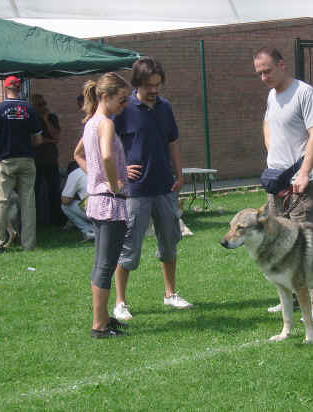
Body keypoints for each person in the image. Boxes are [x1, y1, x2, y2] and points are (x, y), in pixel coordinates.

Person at [253, 47, 313, 322]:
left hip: (302, 186)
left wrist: (303, 172)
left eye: (267, 71)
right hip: (277, 183)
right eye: (259, 73)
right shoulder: (271, 95)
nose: (263, 77)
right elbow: (267, 125)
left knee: (311, 243)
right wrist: (272, 159)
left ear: (282, 65)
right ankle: (291, 300)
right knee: (279, 243)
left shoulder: (304, 92)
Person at [111, 57, 192, 322]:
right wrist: (121, 173)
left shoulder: (165, 108)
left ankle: (170, 294)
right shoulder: (123, 109)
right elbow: (108, 146)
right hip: (135, 191)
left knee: (169, 242)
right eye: (149, 86)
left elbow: (173, 142)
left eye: (158, 84)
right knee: (129, 247)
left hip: (165, 187)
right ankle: (120, 302)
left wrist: (179, 174)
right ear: (137, 84)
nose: (155, 90)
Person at [73, 72, 130, 338]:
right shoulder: (105, 123)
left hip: (96, 202)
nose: (125, 104)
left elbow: (78, 154)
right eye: (122, 99)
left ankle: (104, 316)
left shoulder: (90, 122)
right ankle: (99, 324)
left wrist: (95, 178)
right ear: (105, 96)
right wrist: (113, 183)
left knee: (101, 262)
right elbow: (107, 155)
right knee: (106, 265)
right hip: (109, 204)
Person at [0, 76, 42, 253]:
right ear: (20, 88)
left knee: (2, 202)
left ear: (5, 88)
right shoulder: (30, 110)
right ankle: (29, 244)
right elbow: (38, 140)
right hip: (27, 160)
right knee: (28, 203)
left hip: (6, 162)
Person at [31, 94, 65, 226]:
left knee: (54, 191)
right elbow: (34, 141)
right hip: (35, 161)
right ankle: (35, 221)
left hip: (50, 160)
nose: (43, 106)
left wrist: (45, 120)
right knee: (34, 192)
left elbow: (56, 135)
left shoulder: (51, 118)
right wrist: (49, 140)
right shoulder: (31, 119)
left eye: (44, 103)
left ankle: (56, 220)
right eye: (40, 104)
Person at [61, 161, 94, 241]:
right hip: (115, 211)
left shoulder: (75, 173)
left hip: (95, 211)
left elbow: (65, 200)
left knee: (65, 206)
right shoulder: (103, 167)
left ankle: (90, 231)